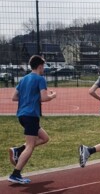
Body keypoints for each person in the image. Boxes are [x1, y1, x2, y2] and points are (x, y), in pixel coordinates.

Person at [8, 55, 56, 184]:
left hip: (22, 115)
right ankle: (16, 174)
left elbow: (14, 97)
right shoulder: (40, 79)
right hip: (31, 115)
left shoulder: (23, 79)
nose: (44, 69)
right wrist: (52, 96)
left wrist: (28, 98)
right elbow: (44, 98)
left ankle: (18, 150)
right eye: (43, 66)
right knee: (30, 145)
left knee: (45, 138)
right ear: (40, 66)